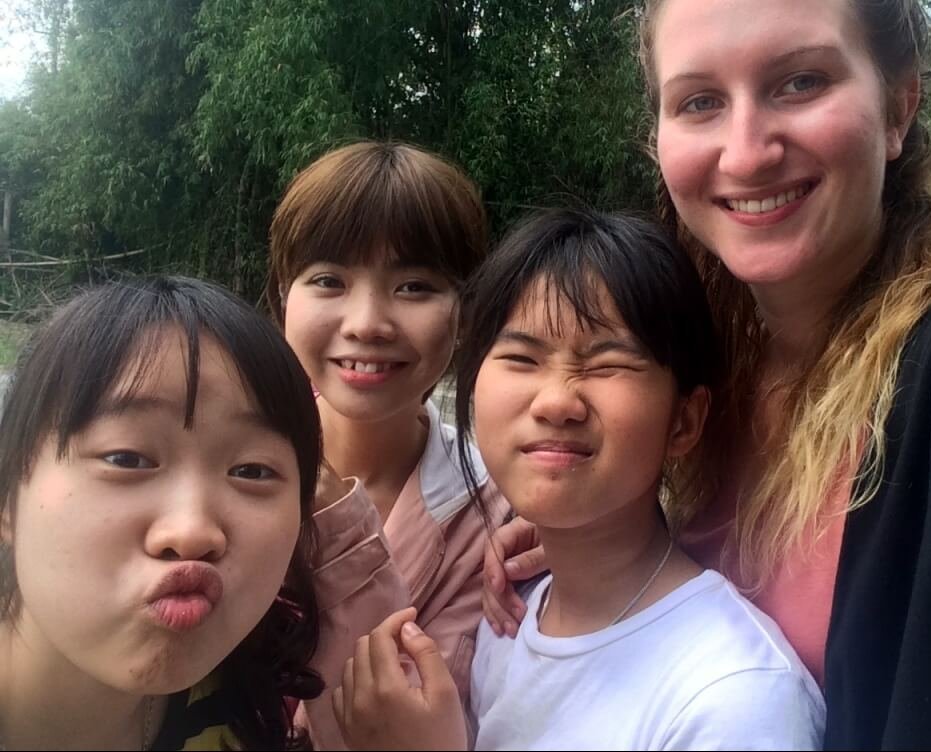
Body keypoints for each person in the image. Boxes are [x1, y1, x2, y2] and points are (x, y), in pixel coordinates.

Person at [484, 1, 931, 748]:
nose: (746, 153)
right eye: (699, 101)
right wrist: (578, 523)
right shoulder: (703, 347)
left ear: (898, 106)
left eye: (800, 82)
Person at [333, 208, 825, 751]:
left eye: (607, 364)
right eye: (522, 358)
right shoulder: (510, 619)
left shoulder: (734, 697)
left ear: (684, 421)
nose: (556, 401)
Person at [0, 276, 324, 750]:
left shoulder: (250, 708)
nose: (192, 532)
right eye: (126, 458)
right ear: (8, 499)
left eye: (252, 471)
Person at [267, 140, 509, 749]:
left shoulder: (502, 513)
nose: (367, 323)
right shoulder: (224, 473)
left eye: (414, 286)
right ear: (283, 296)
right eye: (329, 280)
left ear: (464, 311)